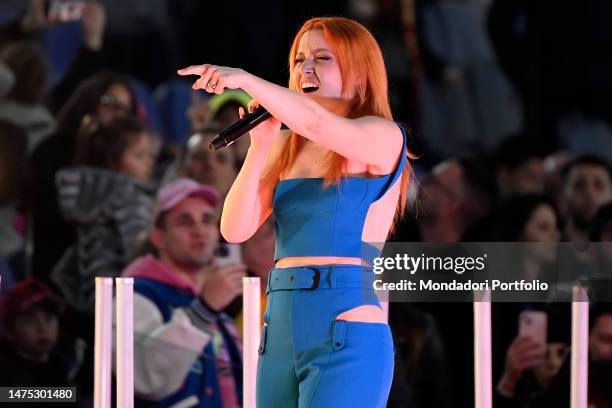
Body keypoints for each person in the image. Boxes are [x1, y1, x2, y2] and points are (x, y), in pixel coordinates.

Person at [179, 16, 413, 407]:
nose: (305, 67)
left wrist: (248, 80)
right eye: (299, 59)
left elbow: (318, 122)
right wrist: (259, 147)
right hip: (282, 320)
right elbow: (234, 228)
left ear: (359, 74)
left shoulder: (382, 136)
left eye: (323, 58)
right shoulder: (288, 146)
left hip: (344, 318)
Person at [119, 178, 244, 407]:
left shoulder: (215, 303)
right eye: (185, 221)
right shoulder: (137, 293)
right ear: (158, 238)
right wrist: (203, 311)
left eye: (207, 220)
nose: (199, 231)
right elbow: (146, 378)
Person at [50, 116, 155, 318]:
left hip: (85, 296)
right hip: (121, 302)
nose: (149, 163)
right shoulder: (129, 196)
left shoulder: (87, 193)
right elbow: (139, 254)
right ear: (113, 159)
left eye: (150, 156)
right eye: (140, 156)